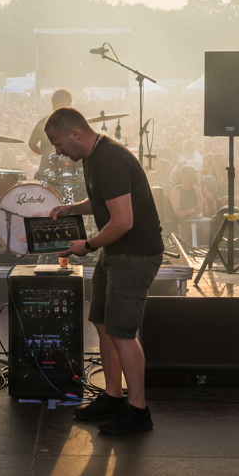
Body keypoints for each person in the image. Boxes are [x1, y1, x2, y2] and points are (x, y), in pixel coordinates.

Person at [44, 107, 163, 436]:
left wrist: (88, 244)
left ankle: (138, 411)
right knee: (102, 321)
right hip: (116, 252)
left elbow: (123, 221)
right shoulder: (92, 156)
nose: (58, 152)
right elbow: (103, 200)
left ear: (76, 134)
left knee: (123, 332)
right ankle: (113, 397)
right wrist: (73, 208)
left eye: (59, 144)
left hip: (135, 255)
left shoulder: (110, 159)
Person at [27, 88, 73, 180]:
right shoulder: (75, 124)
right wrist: (46, 154)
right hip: (54, 173)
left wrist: (45, 153)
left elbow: (32, 144)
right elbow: (32, 144)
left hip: (54, 173)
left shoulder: (43, 123)